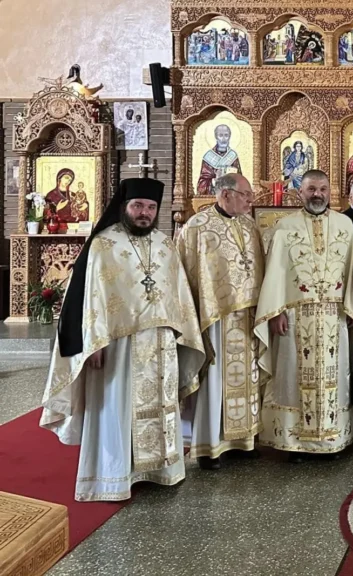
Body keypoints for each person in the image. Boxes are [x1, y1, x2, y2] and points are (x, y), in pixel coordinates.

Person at [41, 178, 205, 501]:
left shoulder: (165, 244)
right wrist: (93, 344)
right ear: (125, 207)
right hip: (118, 345)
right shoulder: (103, 245)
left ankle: (160, 470)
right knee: (117, 408)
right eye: (138, 206)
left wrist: (180, 334)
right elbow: (88, 299)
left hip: (160, 344)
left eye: (151, 207)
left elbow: (179, 296)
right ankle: (114, 475)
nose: (144, 213)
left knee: (160, 407)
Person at [255, 170, 353, 462]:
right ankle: (294, 443)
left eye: (323, 189)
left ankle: (331, 440)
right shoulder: (284, 227)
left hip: (333, 316)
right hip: (294, 315)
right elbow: (275, 273)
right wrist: (274, 311)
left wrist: (352, 306)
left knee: (335, 376)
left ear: (331, 191)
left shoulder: (345, 225)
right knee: (291, 376)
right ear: (300, 192)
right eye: (311, 189)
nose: (318, 194)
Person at [176, 174, 264, 470]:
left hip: (247, 316)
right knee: (214, 381)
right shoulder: (197, 227)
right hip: (213, 317)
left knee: (247, 381)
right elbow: (185, 275)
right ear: (225, 195)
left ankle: (244, 441)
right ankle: (209, 447)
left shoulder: (249, 225)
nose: (251, 201)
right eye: (246, 195)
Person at [197, 124, 242, 195]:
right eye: (220, 135)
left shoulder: (233, 156)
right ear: (216, 137)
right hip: (212, 196)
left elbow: (240, 180)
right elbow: (202, 184)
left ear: (229, 137)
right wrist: (214, 181)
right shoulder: (208, 157)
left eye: (226, 135)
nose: (223, 139)